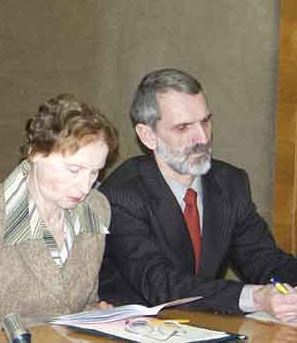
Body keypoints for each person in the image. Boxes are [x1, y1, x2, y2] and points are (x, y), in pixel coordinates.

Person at [99, 68, 297, 321]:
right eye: (183, 127)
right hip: (134, 329)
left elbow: (263, 259)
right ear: (148, 136)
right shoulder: (121, 195)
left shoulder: (230, 182)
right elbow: (160, 283)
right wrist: (256, 297)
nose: (202, 138)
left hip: (206, 326)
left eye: (205, 121)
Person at [0, 94, 119, 338]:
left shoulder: (96, 207)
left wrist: (96, 314)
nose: (85, 186)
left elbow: (81, 303)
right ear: (35, 153)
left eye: (95, 172)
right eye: (74, 169)